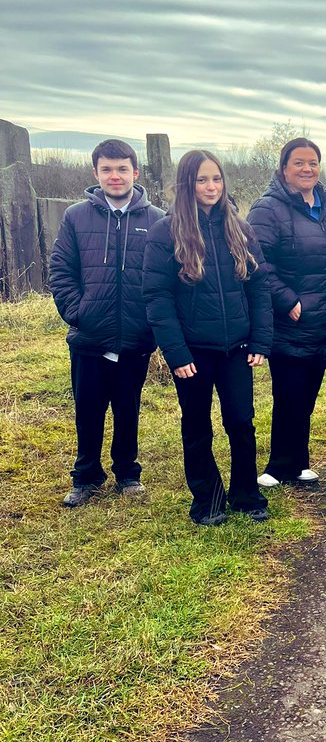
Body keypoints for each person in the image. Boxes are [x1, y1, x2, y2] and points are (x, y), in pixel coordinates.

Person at [142, 150, 272, 525]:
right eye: (202, 180)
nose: (211, 186)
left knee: (241, 421)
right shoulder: (165, 233)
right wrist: (176, 353)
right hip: (193, 351)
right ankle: (207, 500)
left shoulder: (240, 229)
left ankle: (246, 494)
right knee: (197, 424)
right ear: (187, 184)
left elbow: (259, 287)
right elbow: (157, 297)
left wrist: (261, 340)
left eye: (216, 179)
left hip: (237, 349)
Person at [49, 139, 165, 507]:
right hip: (90, 337)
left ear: (135, 172)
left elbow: (165, 277)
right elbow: (61, 270)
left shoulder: (156, 219)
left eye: (122, 169)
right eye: (107, 170)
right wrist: (78, 313)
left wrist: (151, 324)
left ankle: (128, 474)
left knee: (127, 407)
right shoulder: (76, 216)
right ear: (96, 173)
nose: (115, 176)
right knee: (88, 408)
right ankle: (86, 477)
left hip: (135, 335)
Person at [247, 136, 326, 487]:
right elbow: (256, 262)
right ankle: (278, 465)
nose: (307, 169)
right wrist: (286, 299)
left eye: (313, 163)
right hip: (290, 318)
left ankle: (299, 461)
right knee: (289, 393)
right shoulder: (267, 209)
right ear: (284, 168)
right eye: (299, 163)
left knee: (308, 392)